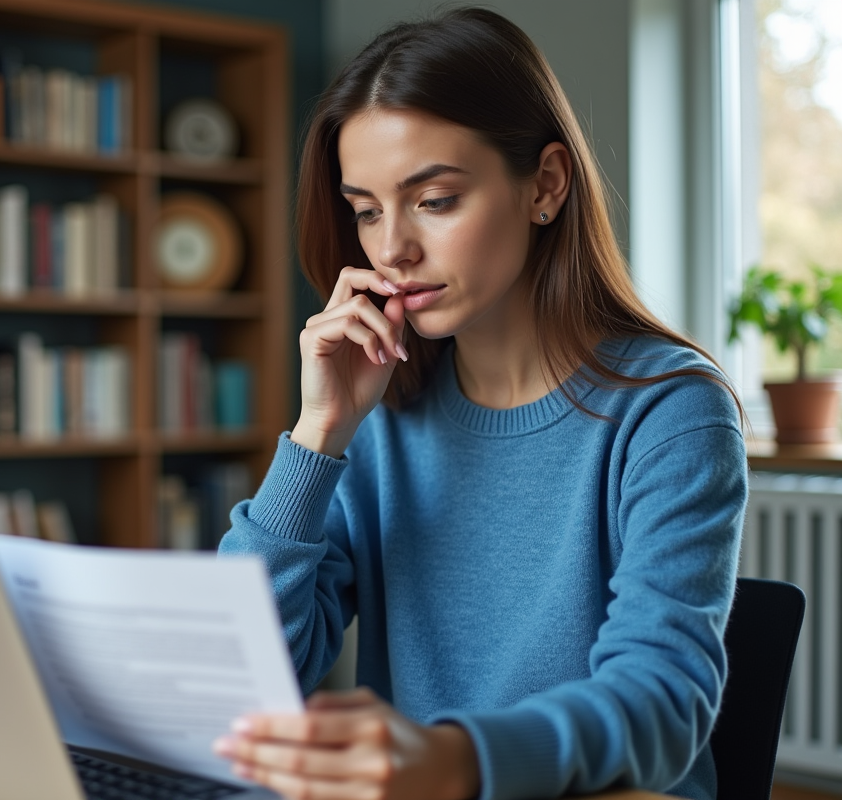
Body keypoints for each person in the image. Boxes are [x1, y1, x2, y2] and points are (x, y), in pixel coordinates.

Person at [209, 7, 747, 800]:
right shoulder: (380, 411)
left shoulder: (669, 412)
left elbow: (662, 707)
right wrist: (317, 434)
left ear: (546, 186)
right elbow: (247, 670)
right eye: (365, 209)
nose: (391, 248)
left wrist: (457, 761)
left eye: (434, 200)